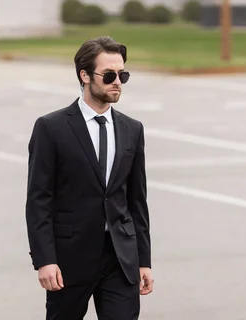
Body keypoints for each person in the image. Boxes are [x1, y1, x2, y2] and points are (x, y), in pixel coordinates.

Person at [25, 36, 153, 320]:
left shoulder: (132, 129)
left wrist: (144, 261)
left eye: (123, 75)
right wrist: (45, 260)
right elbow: (39, 200)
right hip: (70, 260)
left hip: (120, 259)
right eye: (109, 75)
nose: (117, 82)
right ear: (84, 75)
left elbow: (137, 201)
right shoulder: (51, 128)